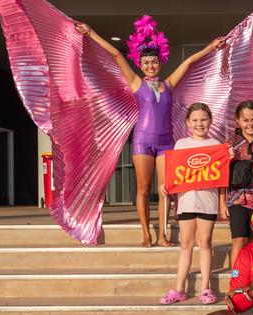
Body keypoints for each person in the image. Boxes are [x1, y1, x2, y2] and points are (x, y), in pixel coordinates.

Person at [75, 16, 224, 248]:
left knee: (166, 189)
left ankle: (163, 235)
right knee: (143, 189)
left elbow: (190, 61)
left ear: (160, 63)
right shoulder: (136, 82)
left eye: (154, 62)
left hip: (166, 143)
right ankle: (146, 233)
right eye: (146, 63)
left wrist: (211, 46)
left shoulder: (169, 84)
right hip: (143, 141)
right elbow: (116, 54)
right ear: (140, 64)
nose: (150, 66)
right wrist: (91, 33)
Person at [158, 103, 224, 305]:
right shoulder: (181, 145)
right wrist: (166, 185)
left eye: (203, 119)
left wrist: (222, 202)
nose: (199, 123)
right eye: (195, 120)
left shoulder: (217, 145)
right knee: (186, 243)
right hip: (186, 202)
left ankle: (205, 288)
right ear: (187, 122)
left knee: (204, 243)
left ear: (210, 121)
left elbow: (222, 179)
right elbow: (174, 174)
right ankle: (179, 288)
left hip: (207, 202)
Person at [220, 100, 253, 267]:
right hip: (237, 200)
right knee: (239, 240)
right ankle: (236, 283)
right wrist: (222, 202)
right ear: (237, 121)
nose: (250, 124)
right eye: (245, 120)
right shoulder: (230, 145)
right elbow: (222, 175)